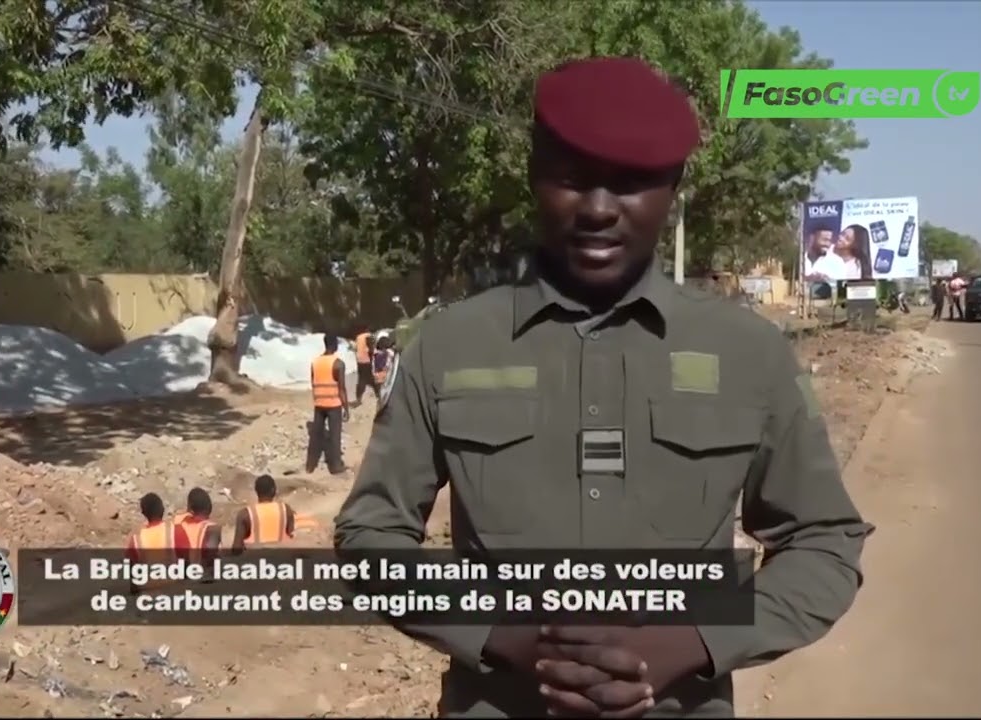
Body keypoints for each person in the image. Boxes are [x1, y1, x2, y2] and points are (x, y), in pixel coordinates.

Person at [334, 56, 873, 719]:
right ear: (534, 175)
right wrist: (507, 638)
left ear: (673, 187)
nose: (597, 210)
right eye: (571, 178)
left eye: (630, 184)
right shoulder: (449, 348)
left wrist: (691, 642)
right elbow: (370, 535)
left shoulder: (751, 355)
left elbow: (823, 539)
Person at [125, 492, 192, 594]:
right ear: (163, 509)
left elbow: (132, 579)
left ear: (144, 513)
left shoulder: (135, 540)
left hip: (147, 598)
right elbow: (188, 565)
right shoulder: (175, 531)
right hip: (174, 592)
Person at [306, 333, 349, 475]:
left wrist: (317, 398)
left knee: (316, 436)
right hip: (333, 404)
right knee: (334, 435)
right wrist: (346, 408)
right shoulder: (338, 363)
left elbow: (313, 383)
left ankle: (310, 465)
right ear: (335, 344)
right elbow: (342, 388)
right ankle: (335, 466)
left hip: (319, 404)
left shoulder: (315, 362)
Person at [231, 474, 297, 553]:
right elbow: (292, 538)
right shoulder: (286, 510)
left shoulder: (245, 514)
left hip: (255, 560)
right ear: (274, 490)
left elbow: (236, 549)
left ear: (256, 491)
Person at [173, 487, 222, 567]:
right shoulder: (213, 529)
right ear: (210, 509)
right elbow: (211, 557)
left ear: (190, 509)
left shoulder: (178, 523)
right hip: (201, 574)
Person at [353, 328, 377, 405]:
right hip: (366, 360)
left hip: (359, 361)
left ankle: (358, 398)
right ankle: (379, 394)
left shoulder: (358, 337)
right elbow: (371, 348)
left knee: (364, 379)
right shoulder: (368, 336)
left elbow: (356, 348)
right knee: (366, 380)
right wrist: (372, 356)